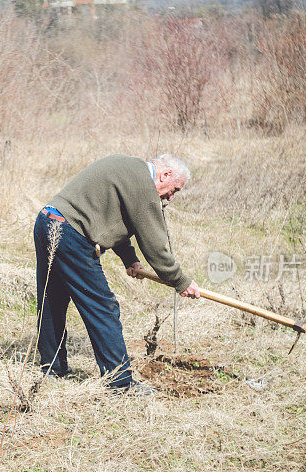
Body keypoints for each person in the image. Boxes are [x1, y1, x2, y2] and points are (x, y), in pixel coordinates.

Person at [34, 154, 200, 394]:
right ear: (164, 175)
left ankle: (52, 368)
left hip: (48, 221)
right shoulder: (143, 185)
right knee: (103, 307)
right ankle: (120, 382)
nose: (170, 197)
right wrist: (180, 281)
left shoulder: (130, 169)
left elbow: (110, 217)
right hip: (71, 234)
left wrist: (129, 259)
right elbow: (155, 245)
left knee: (53, 300)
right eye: (174, 189)